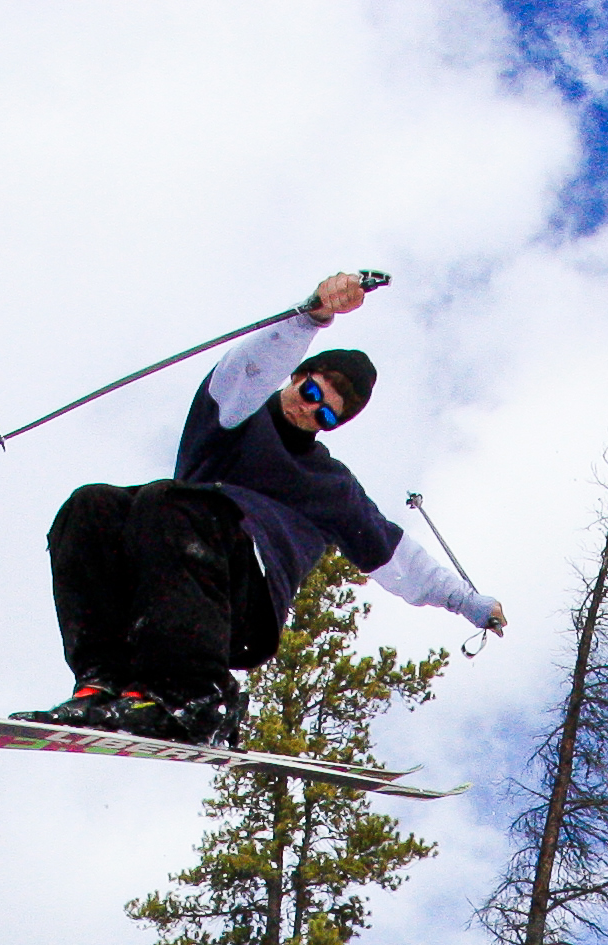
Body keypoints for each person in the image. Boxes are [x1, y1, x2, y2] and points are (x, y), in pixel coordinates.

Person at [29, 271, 506, 746]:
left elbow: (396, 558)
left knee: (169, 503)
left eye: (326, 415)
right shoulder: (233, 416)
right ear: (298, 376)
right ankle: (103, 680)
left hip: (242, 606)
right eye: (311, 394)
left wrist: (467, 603)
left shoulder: (331, 486)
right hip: (167, 584)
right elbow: (249, 369)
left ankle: (197, 693)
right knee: (90, 506)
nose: (309, 411)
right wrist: (310, 318)